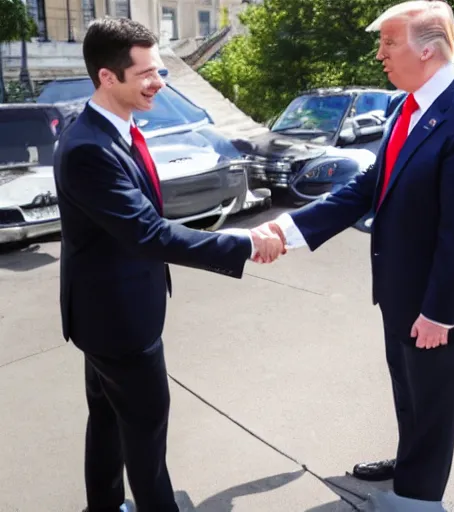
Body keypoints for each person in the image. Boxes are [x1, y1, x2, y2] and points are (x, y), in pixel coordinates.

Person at [256, 1, 454, 509]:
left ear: (427, 50)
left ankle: (418, 498)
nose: (380, 54)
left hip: (439, 297)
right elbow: (370, 186)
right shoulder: (404, 106)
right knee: (408, 392)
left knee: (432, 404)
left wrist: (439, 312)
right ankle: (410, 463)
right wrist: (287, 226)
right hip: (399, 286)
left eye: (390, 43)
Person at [53, 17, 284, 512]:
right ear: (107, 78)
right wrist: (242, 242)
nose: (159, 82)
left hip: (104, 313)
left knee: (110, 421)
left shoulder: (111, 127)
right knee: (146, 431)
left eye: (159, 70)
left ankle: (105, 506)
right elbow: (148, 233)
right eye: (146, 75)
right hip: (118, 323)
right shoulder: (89, 149)